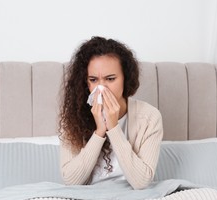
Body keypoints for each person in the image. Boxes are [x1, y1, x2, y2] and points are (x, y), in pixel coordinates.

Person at [59, 36, 163, 189]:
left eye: (110, 79)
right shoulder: (74, 117)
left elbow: (141, 182)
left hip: (132, 199)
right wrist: (100, 131)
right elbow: (71, 181)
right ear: (85, 82)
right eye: (93, 80)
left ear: (125, 79)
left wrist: (113, 128)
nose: (102, 88)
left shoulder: (149, 117)